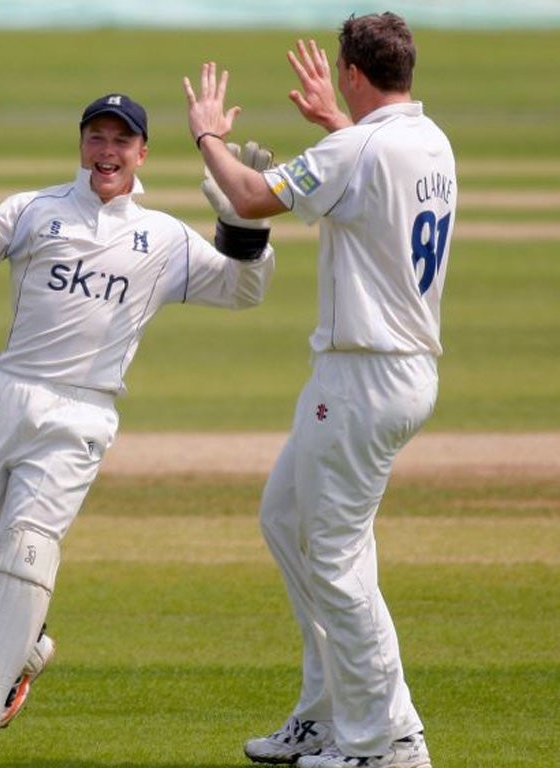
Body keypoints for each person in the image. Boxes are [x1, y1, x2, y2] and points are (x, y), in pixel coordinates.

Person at [0, 92, 276, 759]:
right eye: (96, 138)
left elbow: (244, 291)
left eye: (121, 141)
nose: (107, 153)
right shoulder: (34, 210)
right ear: (82, 145)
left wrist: (243, 228)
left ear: (141, 153)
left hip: (83, 409)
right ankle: (26, 648)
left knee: (27, 545)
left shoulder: (161, 236)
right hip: (5, 394)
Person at [184, 12, 456, 768]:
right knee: (286, 518)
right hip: (378, 371)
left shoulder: (359, 148)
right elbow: (364, 164)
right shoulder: (427, 139)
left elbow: (246, 197)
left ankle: (382, 743)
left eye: (342, 73)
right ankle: (326, 712)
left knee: (336, 560)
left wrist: (206, 133)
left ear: (354, 73)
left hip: (366, 373)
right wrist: (337, 122)